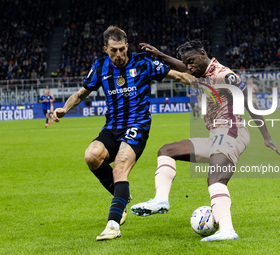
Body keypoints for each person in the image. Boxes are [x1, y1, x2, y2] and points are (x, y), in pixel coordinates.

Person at [131, 40, 280, 241]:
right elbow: (181, 66)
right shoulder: (201, 72)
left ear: (203, 54)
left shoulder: (224, 75)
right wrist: (160, 54)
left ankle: (227, 230)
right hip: (216, 136)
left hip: (232, 132)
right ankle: (161, 200)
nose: (189, 67)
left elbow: (249, 101)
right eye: (187, 63)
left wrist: (267, 137)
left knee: (215, 179)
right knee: (166, 151)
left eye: (192, 61)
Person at [51, 26, 192, 241]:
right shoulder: (100, 67)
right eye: (113, 50)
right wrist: (64, 108)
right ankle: (122, 196)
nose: (118, 55)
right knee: (91, 156)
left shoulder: (143, 63)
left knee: (119, 168)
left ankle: (113, 225)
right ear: (105, 49)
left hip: (137, 125)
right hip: (111, 127)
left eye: (121, 49)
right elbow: (81, 94)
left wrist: (205, 83)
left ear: (127, 46)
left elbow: (178, 75)